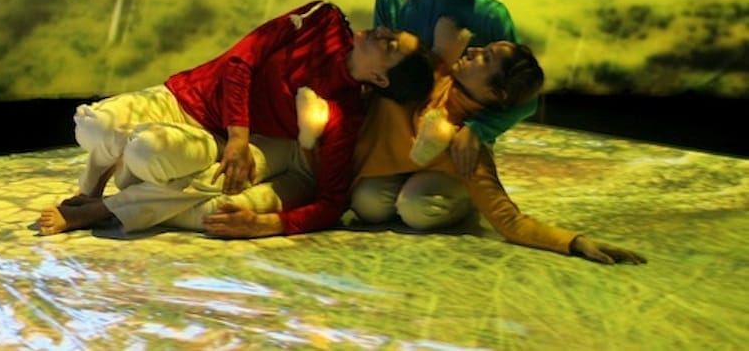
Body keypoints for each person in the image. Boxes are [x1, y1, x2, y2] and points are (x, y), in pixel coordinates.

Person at [237, 18, 643, 264]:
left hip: (427, 181)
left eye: (486, 59)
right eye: (482, 49)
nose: (477, 50)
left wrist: (573, 242)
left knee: (417, 210)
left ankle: (455, 204)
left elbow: (508, 218)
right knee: (369, 205)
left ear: (496, 94)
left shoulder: (468, 144)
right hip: (360, 169)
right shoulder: (427, 74)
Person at [35, 0, 435, 238]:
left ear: (380, 77)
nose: (383, 32)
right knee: (92, 125)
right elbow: (242, 57)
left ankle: (103, 209)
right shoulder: (324, 18)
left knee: (153, 153)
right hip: (189, 97)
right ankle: (93, 189)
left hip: (220, 141)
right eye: (391, 32)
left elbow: (332, 201)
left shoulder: (341, 113)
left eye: (392, 45)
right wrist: (239, 134)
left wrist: (264, 224)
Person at [374, 0, 532, 176]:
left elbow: (525, 96)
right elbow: (377, 73)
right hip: (398, 134)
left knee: (420, 209)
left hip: (453, 139)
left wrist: (476, 131)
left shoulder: (489, 14)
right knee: (370, 205)